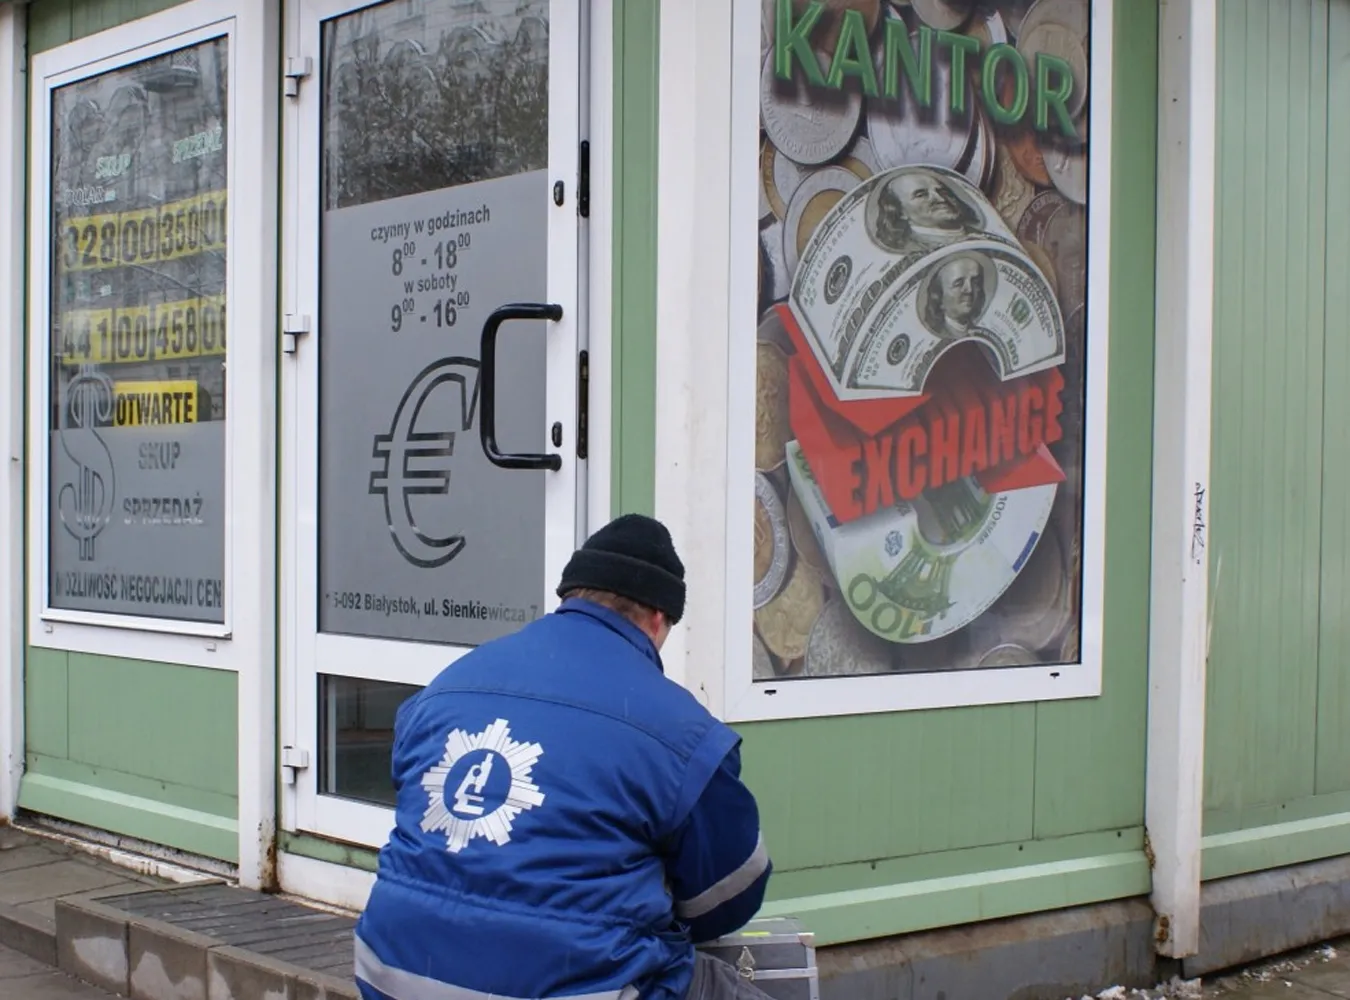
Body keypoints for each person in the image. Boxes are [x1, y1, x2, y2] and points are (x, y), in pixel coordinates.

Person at [354, 514, 776, 1000]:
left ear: (572, 595)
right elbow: (729, 893)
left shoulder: (444, 688)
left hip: (392, 974)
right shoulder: (681, 731)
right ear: (658, 619)